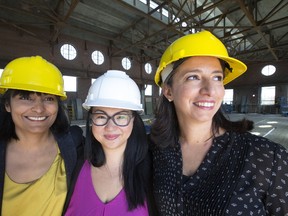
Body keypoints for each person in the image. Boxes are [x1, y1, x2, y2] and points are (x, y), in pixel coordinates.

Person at [150, 30, 288, 215]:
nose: (210, 90)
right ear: (168, 91)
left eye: (217, 78)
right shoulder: (155, 151)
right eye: (193, 77)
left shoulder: (267, 158)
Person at [64, 70, 157, 215]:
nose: (110, 127)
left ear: (133, 120)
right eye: (101, 116)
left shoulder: (154, 171)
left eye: (120, 117)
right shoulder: (72, 163)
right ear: (91, 120)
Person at [0, 56, 84, 215]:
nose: (38, 109)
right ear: (7, 105)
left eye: (48, 99)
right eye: (25, 98)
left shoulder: (74, 145)